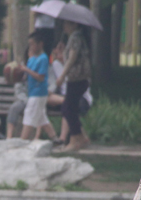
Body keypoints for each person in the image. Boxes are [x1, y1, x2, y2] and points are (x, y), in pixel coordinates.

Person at [54, 21, 92, 153]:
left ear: (75, 25)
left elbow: (72, 58)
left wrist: (62, 75)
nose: (64, 25)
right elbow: (69, 57)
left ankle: (75, 139)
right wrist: (62, 52)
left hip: (77, 79)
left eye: (67, 23)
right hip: (76, 78)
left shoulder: (76, 37)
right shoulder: (74, 38)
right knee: (68, 108)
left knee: (69, 108)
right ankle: (81, 136)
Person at [19, 32, 57, 142]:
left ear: (40, 44)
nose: (30, 47)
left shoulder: (43, 59)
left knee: (29, 115)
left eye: (32, 44)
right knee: (41, 117)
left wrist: (26, 70)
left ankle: (23, 139)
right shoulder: (31, 59)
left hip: (38, 92)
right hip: (32, 92)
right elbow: (27, 75)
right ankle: (54, 138)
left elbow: (40, 77)